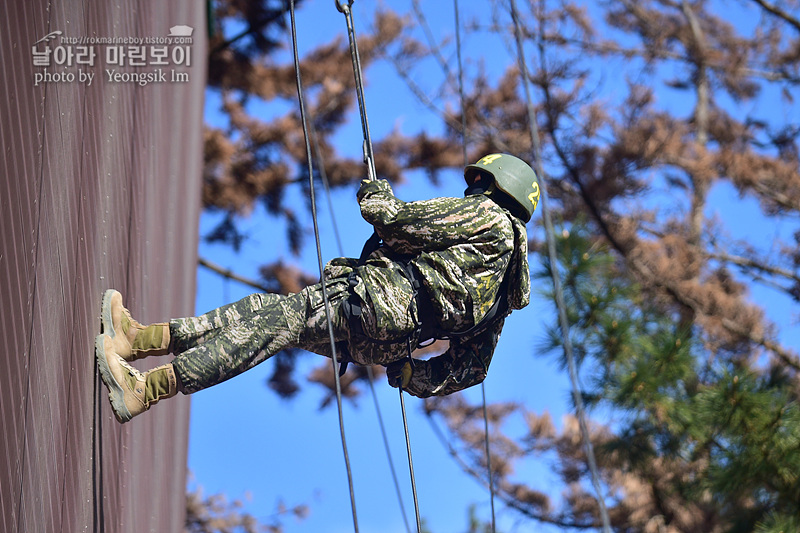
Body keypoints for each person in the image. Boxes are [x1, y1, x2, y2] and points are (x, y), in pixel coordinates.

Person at [95, 153, 539, 423]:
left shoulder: (489, 219)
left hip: (376, 302)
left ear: (495, 188)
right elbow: (473, 367)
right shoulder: (506, 290)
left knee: (277, 322)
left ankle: (147, 389)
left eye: (477, 183)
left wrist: (376, 196)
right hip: (383, 342)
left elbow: (399, 222)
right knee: (268, 312)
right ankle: (140, 340)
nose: (470, 190)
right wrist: (415, 376)